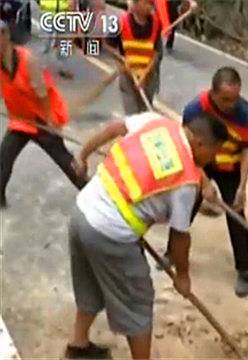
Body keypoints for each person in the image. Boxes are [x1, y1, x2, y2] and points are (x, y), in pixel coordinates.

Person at [67, 111, 228, 359]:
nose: (214, 159)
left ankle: (77, 347)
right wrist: (183, 276)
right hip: (109, 234)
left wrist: (83, 154)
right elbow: (179, 238)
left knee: (91, 282)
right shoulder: (185, 184)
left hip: (82, 212)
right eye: (214, 152)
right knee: (138, 302)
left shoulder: (157, 122)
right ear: (199, 143)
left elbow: (114, 129)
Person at [182, 66, 248, 297]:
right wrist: (204, 183)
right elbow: (186, 146)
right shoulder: (196, 109)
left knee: (237, 215)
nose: (231, 105)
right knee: (187, 205)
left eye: (235, 98)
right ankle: (171, 255)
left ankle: (244, 270)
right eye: (225, 100)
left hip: (230, 166)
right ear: (213, 94)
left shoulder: (245, 113)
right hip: (202, 162)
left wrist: (242, 186)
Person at [0, 19, 87, 208]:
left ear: (5, 36)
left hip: (41, 119)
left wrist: (50, 122)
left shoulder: (26, 59)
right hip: (19, 120)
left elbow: (42, 93)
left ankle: (93, 195)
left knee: (66, 163)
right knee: (3, 158)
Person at [107, 0, 162, 115]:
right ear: (136, 3)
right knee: (132, 117)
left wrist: (145, 74)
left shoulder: (157, 24)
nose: (150, 5)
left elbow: (157, 53)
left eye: (151, 3)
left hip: (148, 78)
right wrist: (121, 63)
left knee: (144, 115)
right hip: (128, 77)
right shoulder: (120, 22)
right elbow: (109, 46)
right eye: (147, 2)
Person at [38, 0, 75, 79]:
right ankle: (41, 68)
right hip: (47, 12)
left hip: (64, 11)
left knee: (65, 41)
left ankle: (63, 68)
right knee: (45, 41)